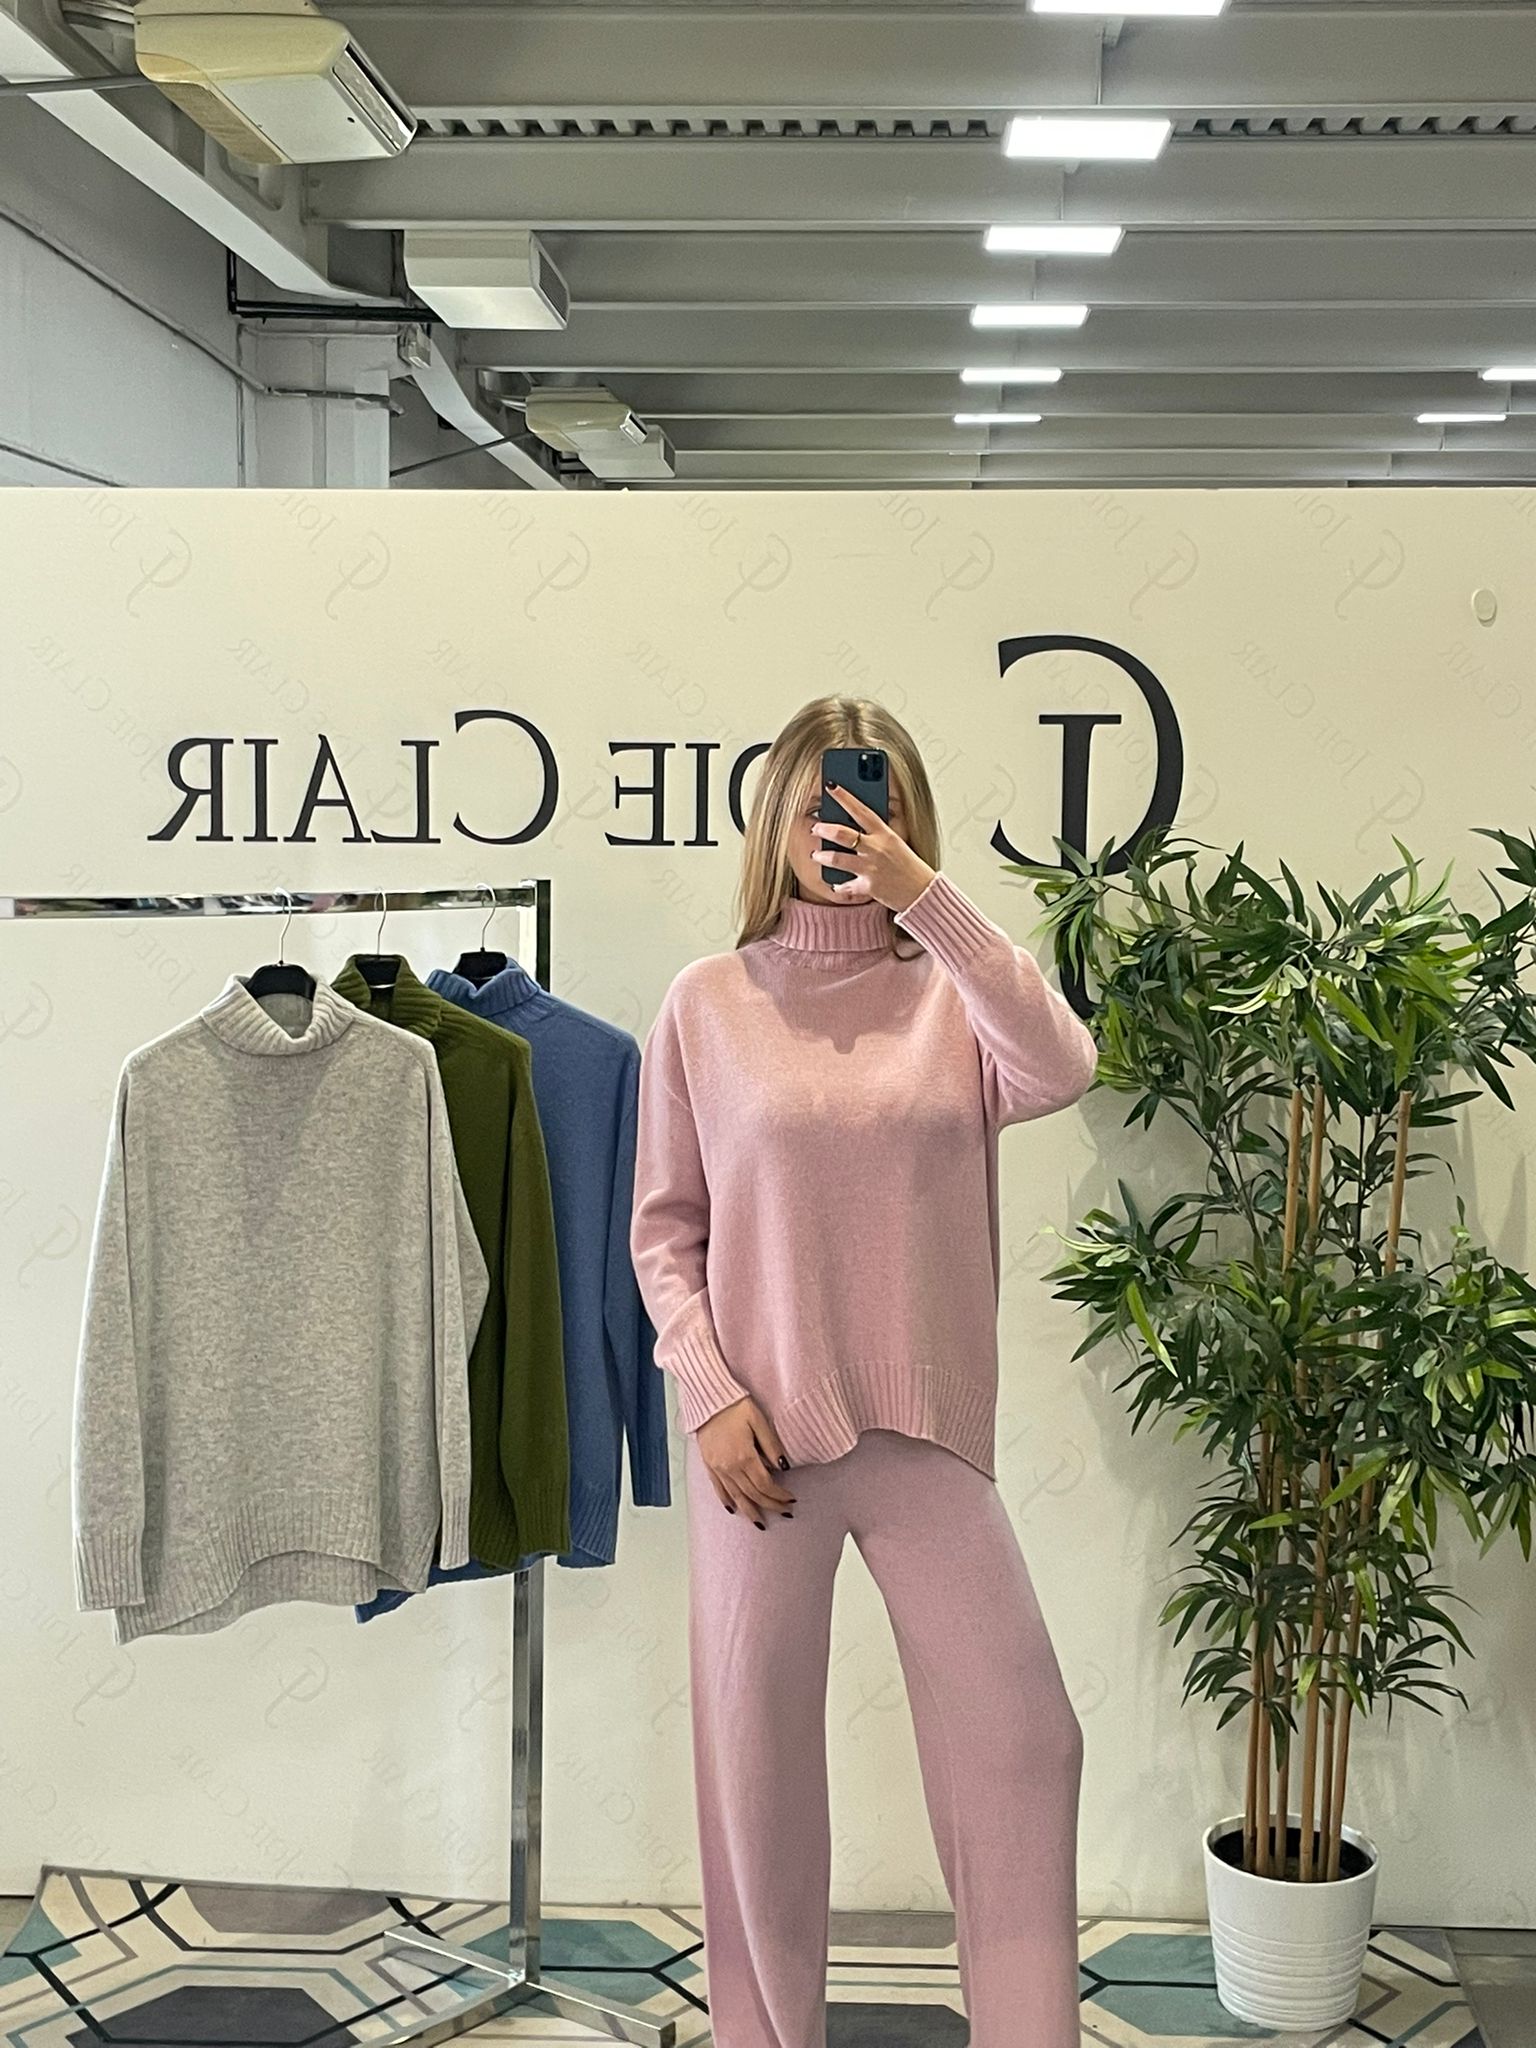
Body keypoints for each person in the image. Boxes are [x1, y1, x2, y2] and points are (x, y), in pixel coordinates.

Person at [629, 696, 1098, 2048]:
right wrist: (709, 1392)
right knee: (757, 1777)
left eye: (872, 800)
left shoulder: (956, 994)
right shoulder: (707, 1003)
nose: (843, 824)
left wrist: (926, 899)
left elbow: (1064, 1065)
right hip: (760, 1446)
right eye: (821, 799)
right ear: (776, 814)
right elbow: (665, 1230)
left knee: (1026, 1743)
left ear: (906, 817)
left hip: (926, 1438)